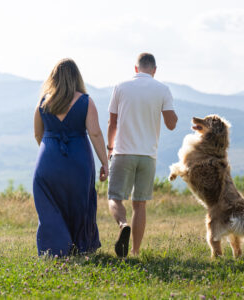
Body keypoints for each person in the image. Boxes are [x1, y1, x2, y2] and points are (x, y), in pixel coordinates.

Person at [33, 58, 109, 257]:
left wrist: (50, 150)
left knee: (49, 204)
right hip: (78, 160)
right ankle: (80, 247)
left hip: (48, 160)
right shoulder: (85, 101)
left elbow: (37, 134)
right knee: (80, 202)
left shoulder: (43, 102)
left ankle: (54, 250)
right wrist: (104, 162)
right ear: (77, 77)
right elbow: (95, 133)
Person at [107, 53, 178, 257]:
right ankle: (136, 251)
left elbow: (112, 123)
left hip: (123, 152)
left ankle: (122, 224)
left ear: (136, 68)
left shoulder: (121, 87)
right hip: (148, 155)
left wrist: (109, 149)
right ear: (154, 70)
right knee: (140, 204)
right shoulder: (163, 89)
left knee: (115, 198)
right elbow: (171, 124)